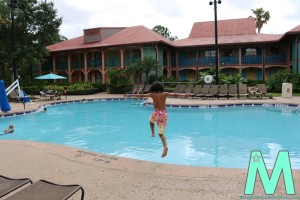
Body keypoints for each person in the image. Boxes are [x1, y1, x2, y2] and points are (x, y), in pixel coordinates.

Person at [124, 82, 189, 158]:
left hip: (157, 113)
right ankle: (165, 147)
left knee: (150, 120)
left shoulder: (153, 95)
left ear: (154, 90)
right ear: (161, 89)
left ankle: (152, 133)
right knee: (161, 133)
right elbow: (175, 94)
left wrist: (129, 95)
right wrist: (184, 95)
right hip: (164, 114)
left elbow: (141, 95)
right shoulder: (165, 94)